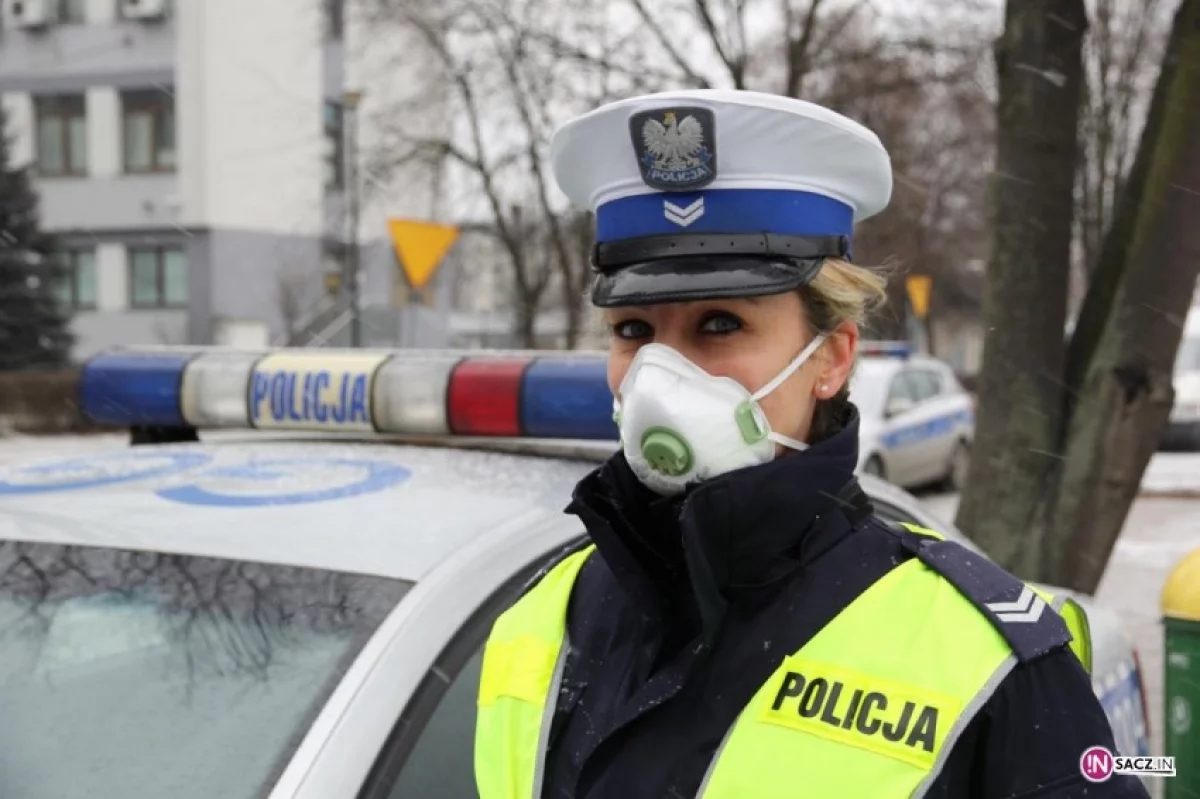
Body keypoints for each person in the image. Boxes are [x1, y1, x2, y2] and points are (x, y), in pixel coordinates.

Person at [474, 90, 1149, 799]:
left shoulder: (987, 661)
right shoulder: (544, 615)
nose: (657, 376)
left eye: (719, 324)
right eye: (633, 330)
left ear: (831, 357)